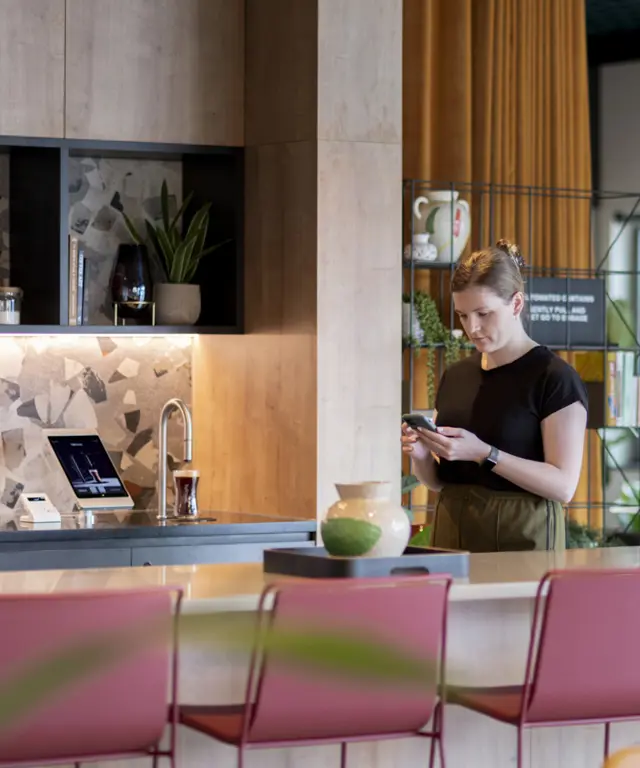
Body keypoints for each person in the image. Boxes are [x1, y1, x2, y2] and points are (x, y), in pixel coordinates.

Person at [401, 239, 588, 552]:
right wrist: (421, 455)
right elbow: (439, 482)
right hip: (452, 536)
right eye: (462, 315)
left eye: (483, 313)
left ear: (516, 304)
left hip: (522, 541)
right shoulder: (455, 376)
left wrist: (484, 453)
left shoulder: (554, 379)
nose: (472, 328)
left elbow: (563, 486)